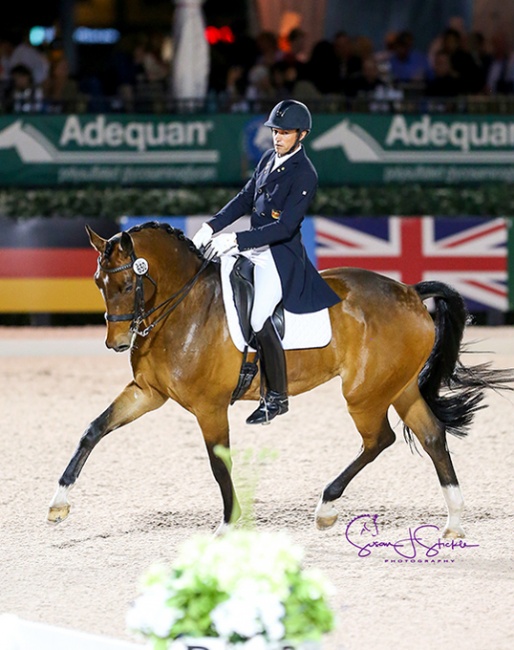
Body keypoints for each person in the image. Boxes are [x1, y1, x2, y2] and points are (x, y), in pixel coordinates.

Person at [192, 100, 341, 425]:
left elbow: (286, 227)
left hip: (278, 255)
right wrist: (212, 226)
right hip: (252, 247)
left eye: (284, 133)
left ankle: (276, 397)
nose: (277, 137)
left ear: (301, 135)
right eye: (275, 131)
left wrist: (236, 240)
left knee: (260, 317)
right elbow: (245, 198)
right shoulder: (268, 158)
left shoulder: (305, 174)